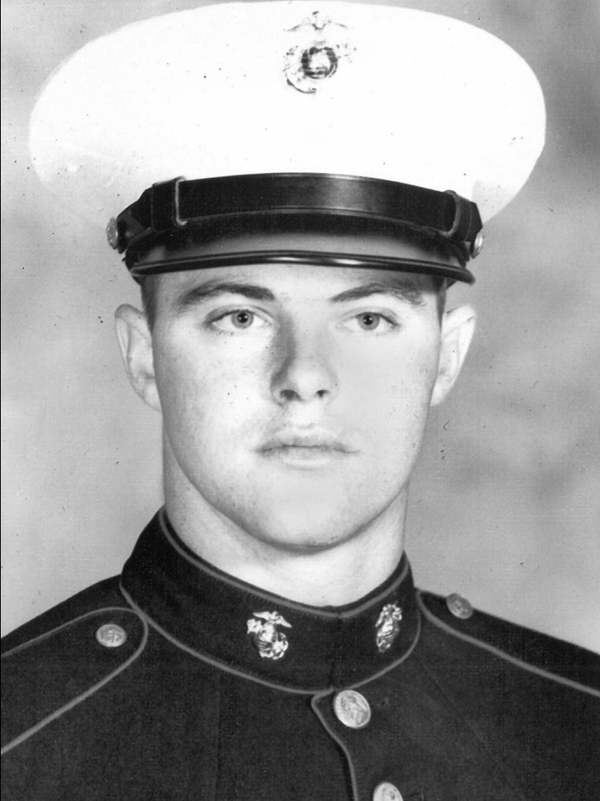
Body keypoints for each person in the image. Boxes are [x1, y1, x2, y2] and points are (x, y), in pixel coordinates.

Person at [2, 3, 599, 799]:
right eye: (239, 317)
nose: (306, 374)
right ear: (144, 356)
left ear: (447, 356)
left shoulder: (577, 729)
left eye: (369, 318)